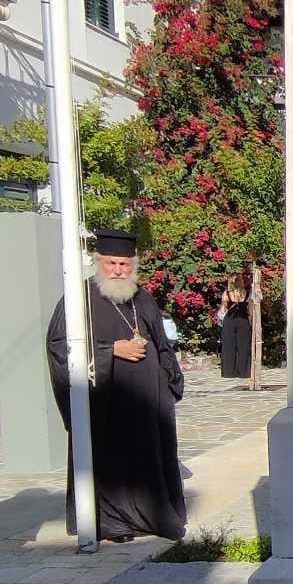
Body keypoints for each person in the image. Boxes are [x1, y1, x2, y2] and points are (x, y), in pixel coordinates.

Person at [46, 228, 186, 543]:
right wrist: (111, 351)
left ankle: (151, 516)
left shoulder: (142, 297)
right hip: (106, 401)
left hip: (147, 403)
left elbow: (161, 344)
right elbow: (60, 346)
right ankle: (110, 523)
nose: (119, 271)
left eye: (125, 264)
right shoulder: (78, 299)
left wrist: (169, 378)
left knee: (147, 457)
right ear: (99, 263)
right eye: (111, 264)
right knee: (110, 460)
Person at [219, 279, 253, 379]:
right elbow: (250, 308)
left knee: (228, 346)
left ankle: (229, 372)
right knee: (243, 346)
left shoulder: (227, 293)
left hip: (230, 320)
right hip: (243, 320)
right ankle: (244, 372)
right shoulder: (246, 293)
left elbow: (223, 308)